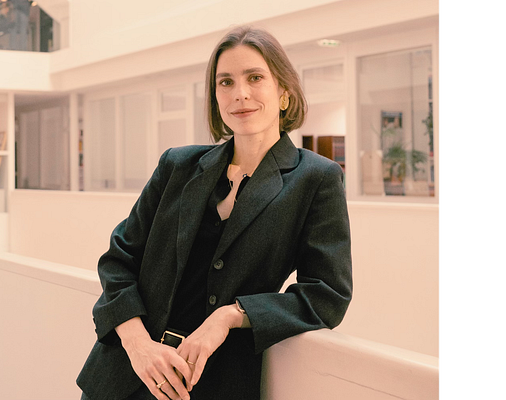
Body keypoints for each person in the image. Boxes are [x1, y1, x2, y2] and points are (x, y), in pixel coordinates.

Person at [77, 26, 352, 400]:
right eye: (226, 82)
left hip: (211, 383)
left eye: (255, 78)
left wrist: (230, 315)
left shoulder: (316, 178)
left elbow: (327, 294)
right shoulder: (177, 165)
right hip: (126, 375)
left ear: (284, 92)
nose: (240, 93)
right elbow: (118, 261)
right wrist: (137, 344)